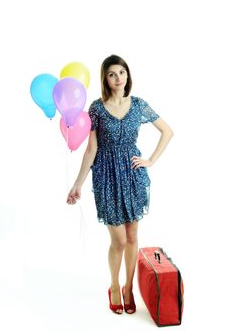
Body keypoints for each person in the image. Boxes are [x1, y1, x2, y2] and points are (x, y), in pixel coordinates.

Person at [66, 54, 174, 314]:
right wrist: (78, 183)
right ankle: (114, 286)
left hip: (132, 176)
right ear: (106, 78)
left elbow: (167, 131)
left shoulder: (138, 105)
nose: (118, 78)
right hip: (106, 178)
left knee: (133, 236)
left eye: (121, 72)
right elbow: (91, 149)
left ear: (128, 75)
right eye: (112, 74)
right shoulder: (97, 108)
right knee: (118, 240)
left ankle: (128, 288)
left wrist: (150, 160)